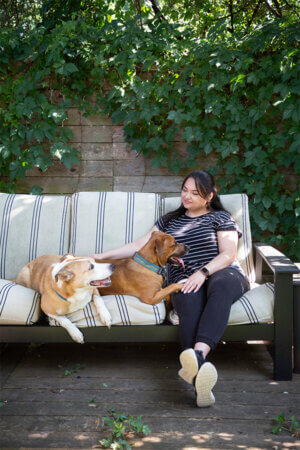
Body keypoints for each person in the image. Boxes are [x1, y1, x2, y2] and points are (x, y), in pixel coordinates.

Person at [92, 170, 250, 407]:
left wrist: (203, 272)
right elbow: (137, 246)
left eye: (195, 193)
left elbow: (228, 254)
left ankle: (196, 357)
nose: (186, 196)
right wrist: (99, 257)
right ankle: (199, 373)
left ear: (209, 196)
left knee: (220, 286)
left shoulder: (221, 217)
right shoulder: (169, 220)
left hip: (221, 273)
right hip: (184, 278)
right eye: (184, 190)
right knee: (187, 300)